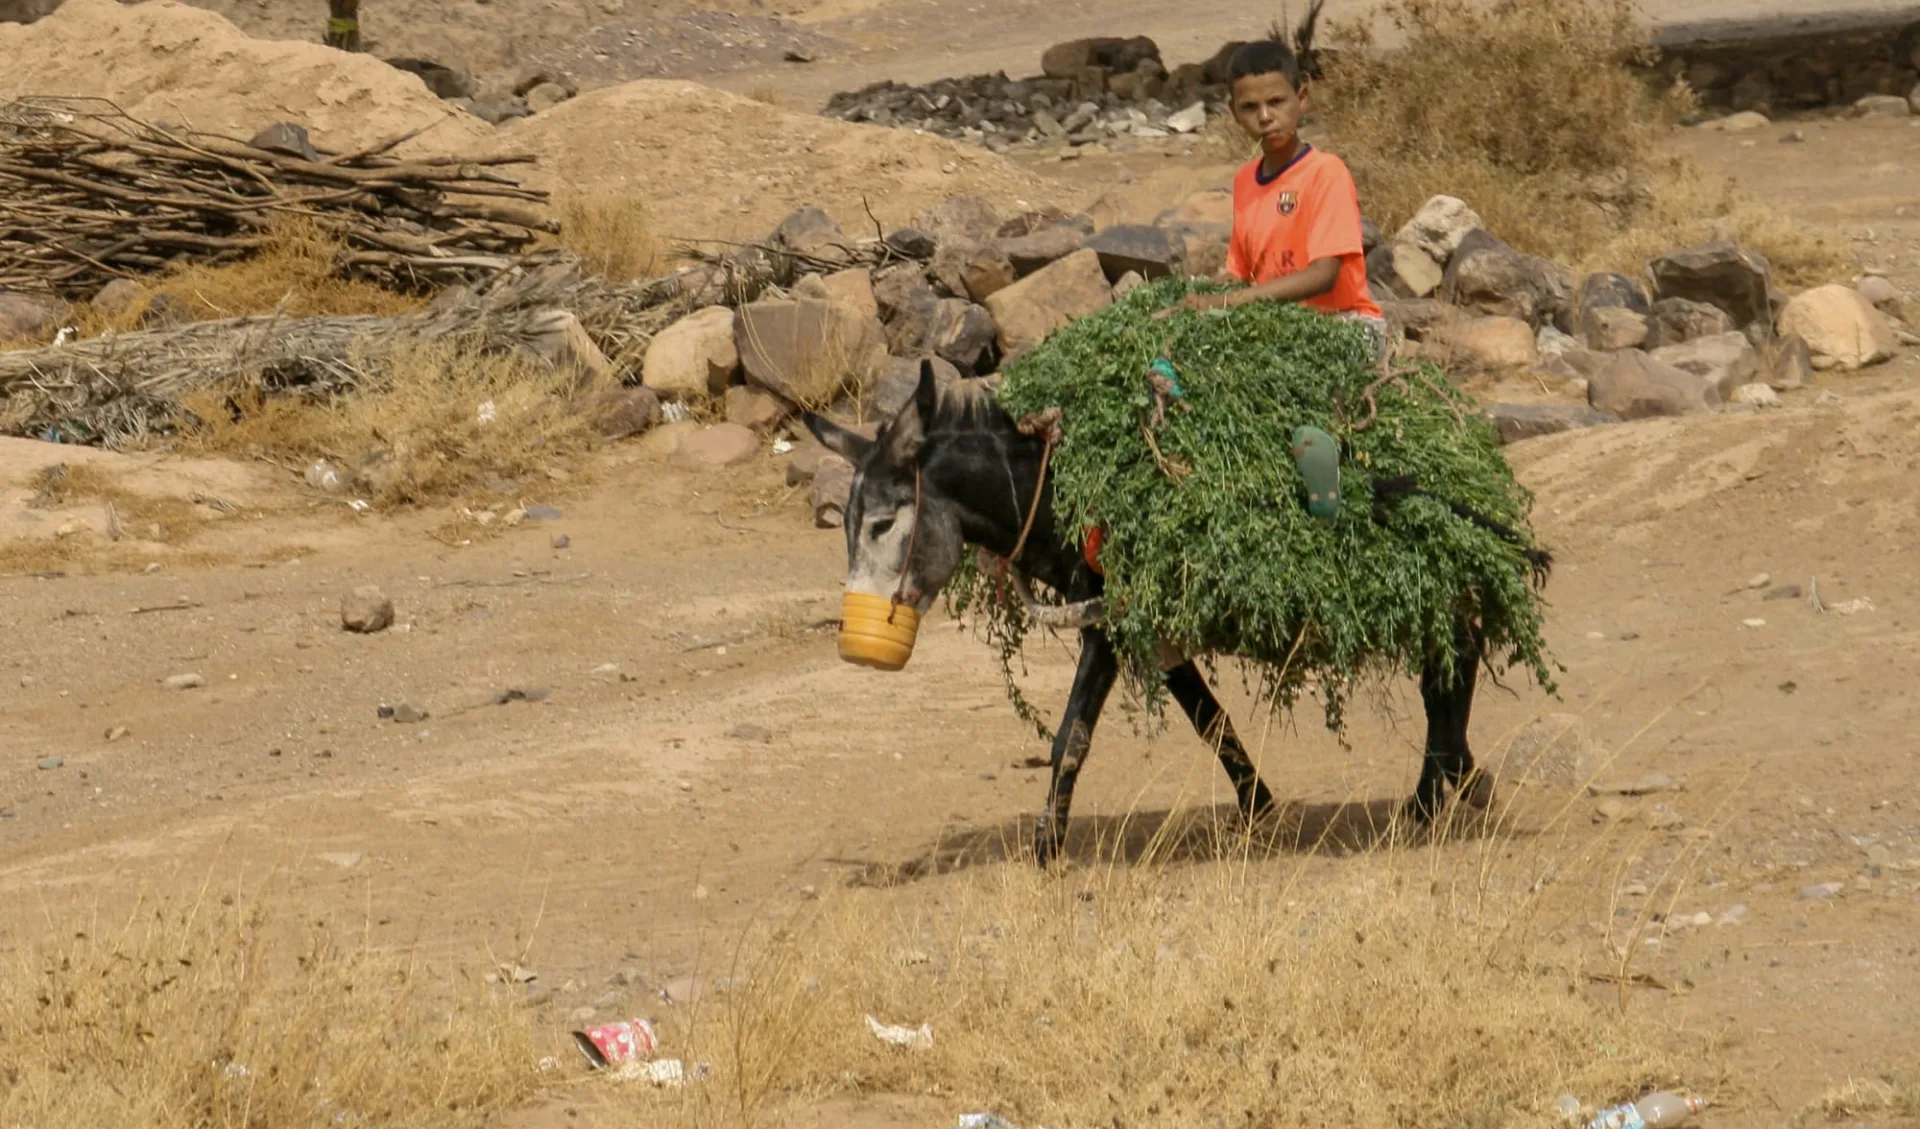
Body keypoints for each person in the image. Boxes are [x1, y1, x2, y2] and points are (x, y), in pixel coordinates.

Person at [1175, 36, 1385, 355]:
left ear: (1301, 99)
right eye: (1250, 107)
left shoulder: (1325, 173)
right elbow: (1239, 274)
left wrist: (1226, 303)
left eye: (1276, 102)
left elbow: (1323, 276)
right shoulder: (1245, 181)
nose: (1264, 117)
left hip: (1346, 325)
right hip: (1281, 322)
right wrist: (1195, 297)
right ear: (1233, 112)